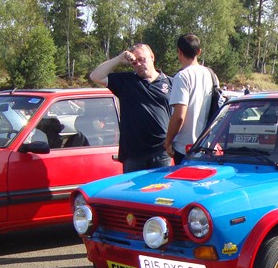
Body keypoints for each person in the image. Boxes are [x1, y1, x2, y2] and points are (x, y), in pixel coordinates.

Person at [89, 44, 172, 172]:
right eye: (134, 62)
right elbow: (95, 76)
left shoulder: (170, 83)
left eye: (141, 59)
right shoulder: (126, 81)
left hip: (161, 152)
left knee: (160, 191)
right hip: (134, 154)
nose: (138, 64)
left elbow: (180, 114)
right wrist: (119, 59)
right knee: (133, 192)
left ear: (152, 57)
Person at [164, 33, 214, 165]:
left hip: (185, 147)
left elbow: (180, 116)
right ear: (199, 52)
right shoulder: (211, 74)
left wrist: (168, 141)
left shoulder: (182, 77)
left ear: (179, 52)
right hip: (207, 145)